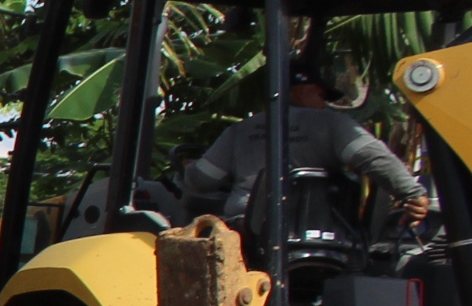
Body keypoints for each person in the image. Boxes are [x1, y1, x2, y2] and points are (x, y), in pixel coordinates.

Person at [179, 56, 431, 228]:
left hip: (247, 230)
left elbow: (202, 181)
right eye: (320, 94)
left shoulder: (240, 131)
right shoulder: (332, 124)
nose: (325, 103)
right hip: (316, 232)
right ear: (299, 90)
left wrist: (190, 166)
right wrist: (414, 194)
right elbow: (373, 158)